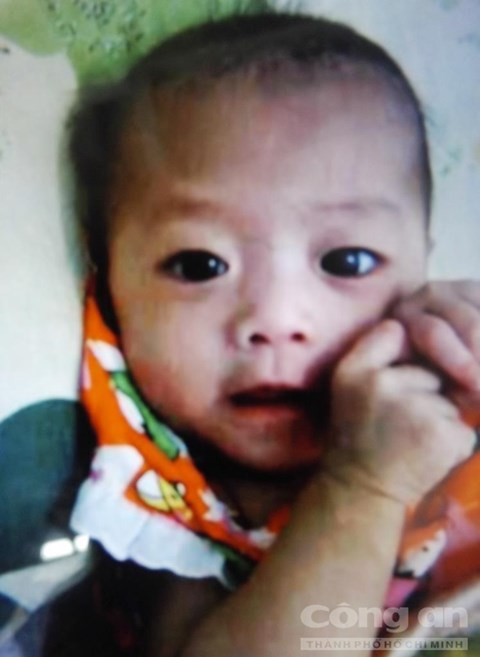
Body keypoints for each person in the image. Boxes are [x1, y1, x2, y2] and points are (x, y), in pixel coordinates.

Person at [69, 11, 480, 657]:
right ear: (109, 277)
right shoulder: (168, 501)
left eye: (347, 261)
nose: (276, 320)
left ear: (422, 263)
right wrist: (362, 488)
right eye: (200, 265)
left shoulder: (453, 360)